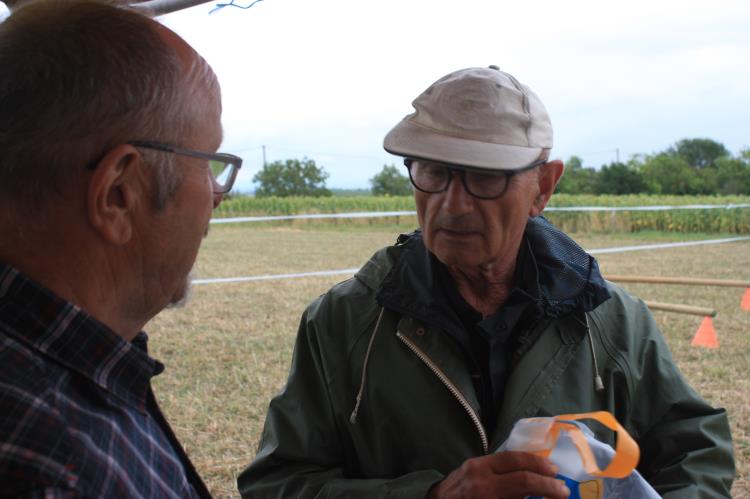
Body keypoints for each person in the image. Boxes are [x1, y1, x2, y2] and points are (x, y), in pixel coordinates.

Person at [238, 66, 735, 498]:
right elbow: (277, 484)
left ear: (542, 187)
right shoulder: (343, 323)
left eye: (485, 177)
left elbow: (695, 446)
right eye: (433, 172)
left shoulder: (611, 320)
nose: (453, 204)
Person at [0, 1, 242, 496]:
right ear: (118, 193)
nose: (218, 194)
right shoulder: (53, 466)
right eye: (207, 163)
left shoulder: (76, 366)